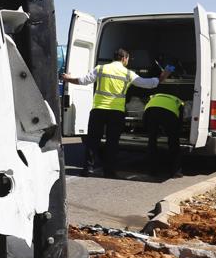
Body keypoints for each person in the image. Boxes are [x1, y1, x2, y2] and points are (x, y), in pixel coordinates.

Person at [63, 49, 169, 177]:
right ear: (124, 58)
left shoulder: (101, 69)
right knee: (112, 142)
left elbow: (83, 81)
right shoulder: (128, 73)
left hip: (99, 110)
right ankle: (109, 171)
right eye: (128, 59)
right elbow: (147, 84)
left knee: (93, 141)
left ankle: (88, 169)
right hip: (116, 113)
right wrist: (161, 77)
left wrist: (68, 79)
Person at [144, 92, 185, 177]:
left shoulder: (154, 97)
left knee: (152, 142)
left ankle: (151, 171)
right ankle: (175, 172)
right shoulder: (179, 102)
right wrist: (175, 133)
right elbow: (179, 122)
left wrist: (150, 131)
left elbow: (145, 118)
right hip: (169, 114)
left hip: (150, 111)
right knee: (173, 142)